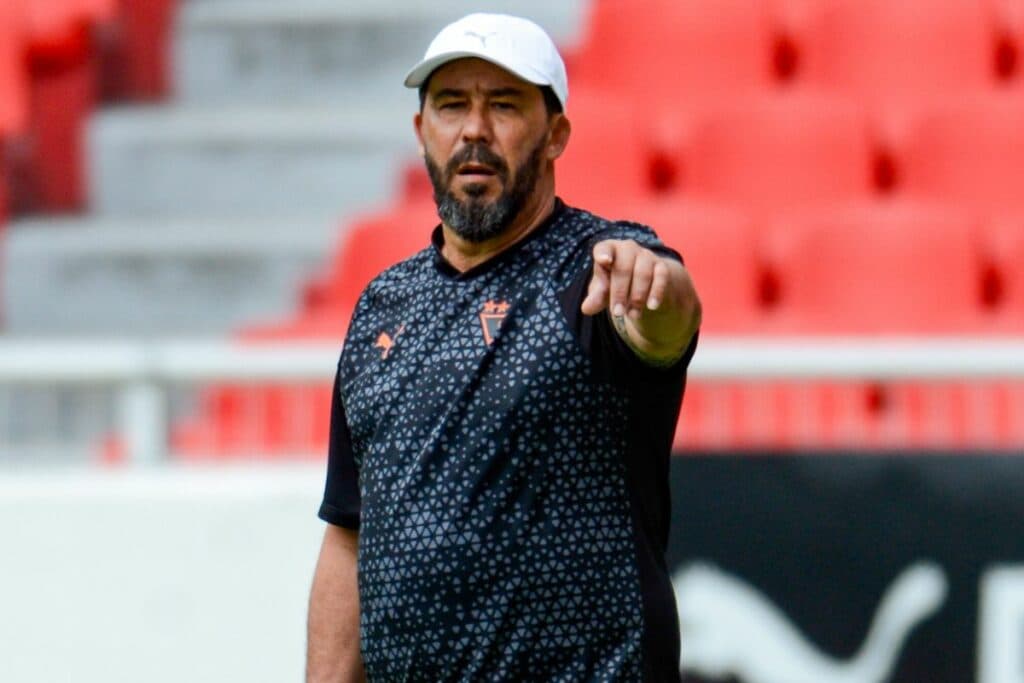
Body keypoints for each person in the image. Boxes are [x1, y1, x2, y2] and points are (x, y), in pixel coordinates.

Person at [306, 12, 701, 682]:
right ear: (421, 131)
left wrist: (662, 290)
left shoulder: (594, 270)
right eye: (452, 104)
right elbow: (349, 534)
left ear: (556, 135)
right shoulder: (383, 303)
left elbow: (666, 320)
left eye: (505, 105)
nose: (474, 131)